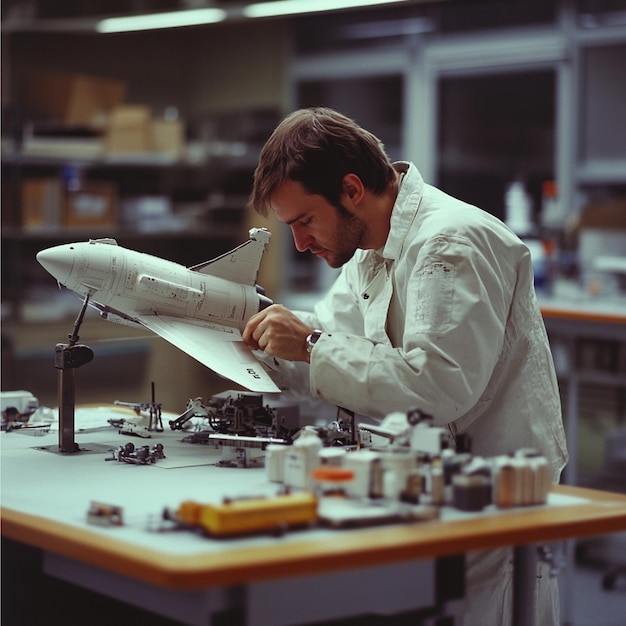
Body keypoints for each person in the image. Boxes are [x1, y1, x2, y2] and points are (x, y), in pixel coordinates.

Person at [242, 107, 568, 626]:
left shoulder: (449, 241)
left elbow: (436, 385)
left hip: (494, 502)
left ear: (352, 190)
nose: (300, 242)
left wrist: (307, 346)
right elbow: (330, 341)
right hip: (435, 493)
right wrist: (251, 338)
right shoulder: (372, 247)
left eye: (305, 221)